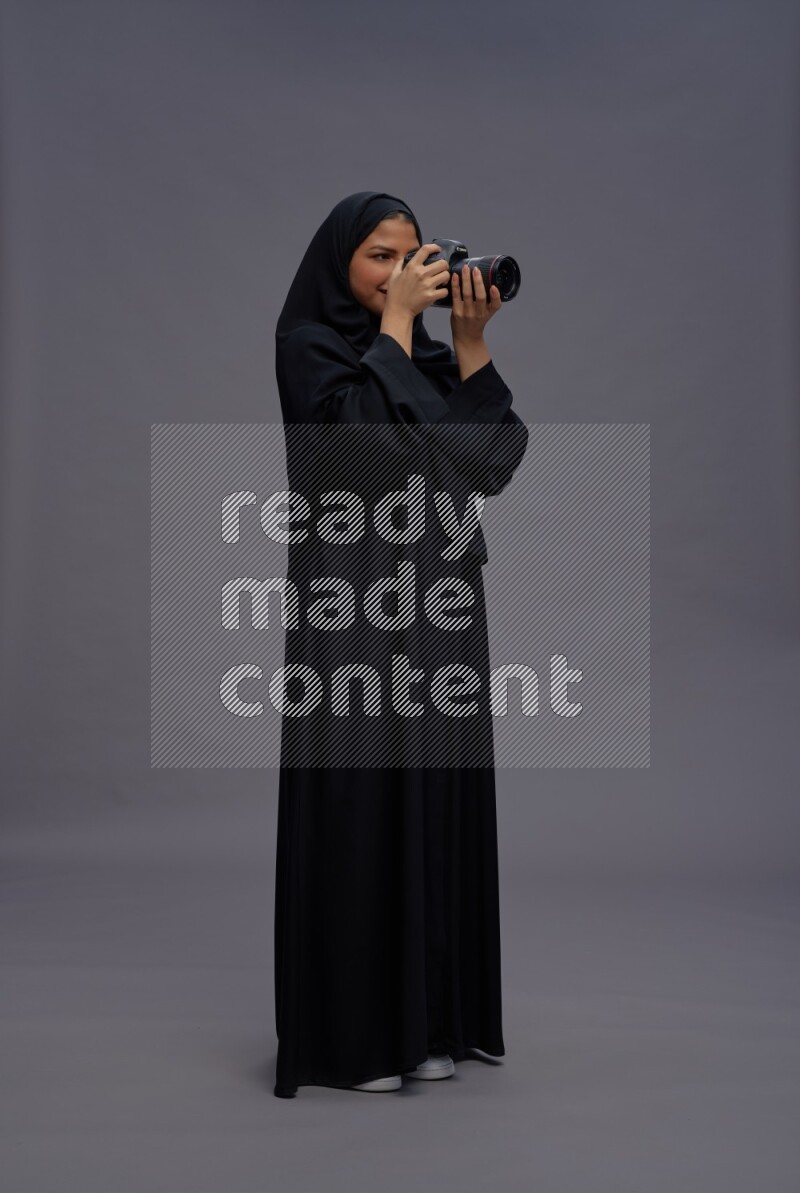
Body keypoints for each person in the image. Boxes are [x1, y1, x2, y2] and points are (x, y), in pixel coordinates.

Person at [272, 191, 528, 1097]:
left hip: (444, 601)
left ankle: (436, 1027)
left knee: (438, 789)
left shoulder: (420, 358)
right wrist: (391, 326)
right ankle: (356, 1040)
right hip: (354, 600)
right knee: (363, 796)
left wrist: (467, 345)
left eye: (413, 255)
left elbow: (492, 464)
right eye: (381, 256)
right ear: (342, 263)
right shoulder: (311, 348)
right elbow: (350, 446)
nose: (402, 271)